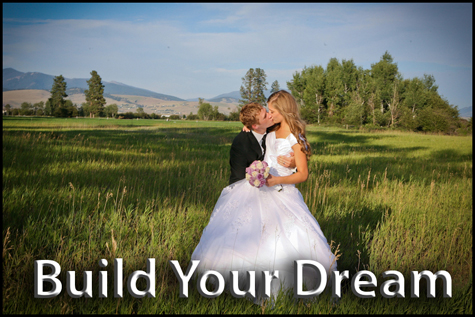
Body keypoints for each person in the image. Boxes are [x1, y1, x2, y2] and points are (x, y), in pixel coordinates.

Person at [191, 91, 337, 304]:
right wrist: (247, 127)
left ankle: (285, 285)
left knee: (285, 236)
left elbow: (303, 174)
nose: (269, 114)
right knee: (250, 232)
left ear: (284, 111)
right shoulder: (271, 129)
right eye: (267, 111)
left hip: (282, 191)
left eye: (273, 111)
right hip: (260, 190)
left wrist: (284, 173)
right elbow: (255, 128)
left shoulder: (296, 137)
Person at [229, 102, 294, 185]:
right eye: (265, 116)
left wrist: (293, 163)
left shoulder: (275, 129)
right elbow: (238, 176)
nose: (270, 115)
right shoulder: (241, 143)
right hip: (248, 189)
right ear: (255, 126)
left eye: (266, 111)